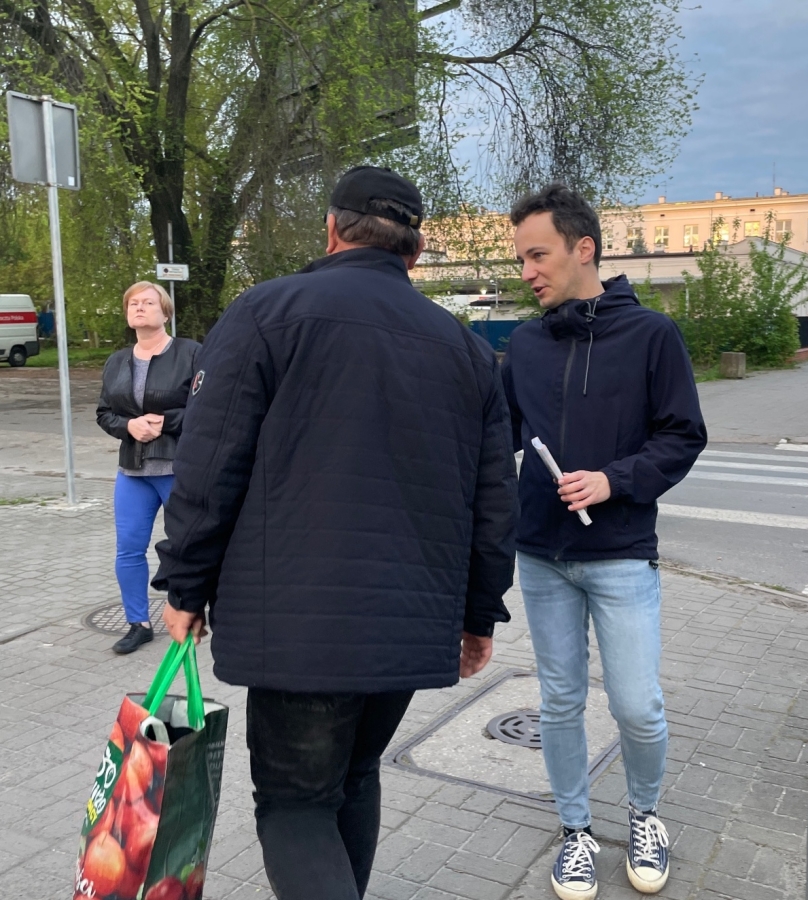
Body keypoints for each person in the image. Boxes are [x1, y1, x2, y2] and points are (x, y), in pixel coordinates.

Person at [151, 166, 518, 900]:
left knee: (296, 803)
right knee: (354, 775)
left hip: (296, 622)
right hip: (409, 622)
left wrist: (184, 585)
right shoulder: (467, 351)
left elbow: (209, 464)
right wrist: (479, 614)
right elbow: (494, 503)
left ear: (330, 230)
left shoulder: (265, 313)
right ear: (415, 250)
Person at [501, 184, 707, 899]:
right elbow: (496, 438)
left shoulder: (651, 336)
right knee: (559, 701)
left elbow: (682, 435)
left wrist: (612, 481)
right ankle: (575, 831)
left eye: (537, 255)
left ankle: (645, 815)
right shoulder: (525, 345)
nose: (526, 271)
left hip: (619, 552)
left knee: (636, 705)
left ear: (583, 248)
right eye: (520, 258)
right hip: (541, 555)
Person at [96, 281, 200, 654]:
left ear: (165, 312)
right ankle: (138, 623)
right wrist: (129, 426)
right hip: (133, 472)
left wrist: (166, 421)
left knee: (188, 546)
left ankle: (190, 611)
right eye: (133, 303)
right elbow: (104, 413)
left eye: (148, 302)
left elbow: (209, 406)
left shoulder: (191, 353)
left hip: (179, 468)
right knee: (129, 549)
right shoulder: (116, 361)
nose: (139, 308)